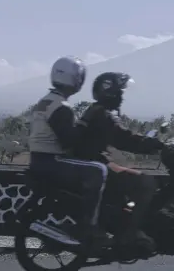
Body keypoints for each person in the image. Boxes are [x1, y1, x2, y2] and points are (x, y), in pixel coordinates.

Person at [74, 71, 165, 254]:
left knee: (126, 176)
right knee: (146, 183)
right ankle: (130, 233)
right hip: (95, 164)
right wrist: (152, 144)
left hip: (90, 162)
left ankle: (121, 224)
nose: (122, 96)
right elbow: (124, 139)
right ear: (111, 93)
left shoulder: (95, 110)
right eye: (120, 92)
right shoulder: (104, 115)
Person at [27, 56, 109, 245]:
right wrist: (85, 121)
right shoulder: (61, 107)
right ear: (75, 79)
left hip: (38, 160)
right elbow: (69, 142)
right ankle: (88, 225)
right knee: (98, 170)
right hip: (52, 161)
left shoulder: (44, 102)